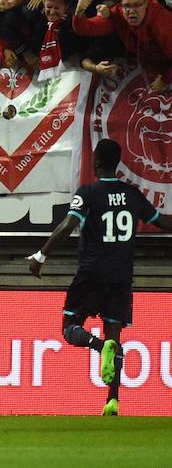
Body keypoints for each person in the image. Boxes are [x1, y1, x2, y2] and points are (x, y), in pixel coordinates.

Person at [26, 139, 172, 416]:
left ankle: (97, 345)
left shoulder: (89, 192)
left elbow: (69, 224)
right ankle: (113, 400)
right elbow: (163, 222)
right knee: (114, 334)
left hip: (91, 273)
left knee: (70, 327)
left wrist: (41, 255)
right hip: (121, 277)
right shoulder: (132, 194)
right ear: (116, 164)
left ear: (95, 162)